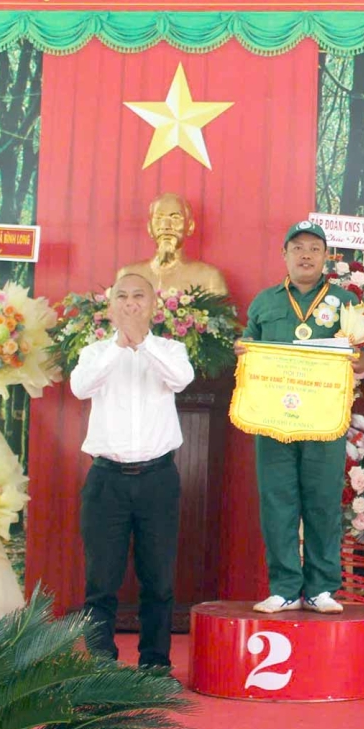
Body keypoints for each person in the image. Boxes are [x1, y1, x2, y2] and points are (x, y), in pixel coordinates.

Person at [240, 220, 364, 613]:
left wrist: (355, 358)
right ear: (285, 255)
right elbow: (247, 348)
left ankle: (320, 589)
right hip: (273, 419)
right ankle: (283, 587)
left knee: (323, 501)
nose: (306, 255)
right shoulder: (264, 302)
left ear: (326, 256)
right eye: (298, 248)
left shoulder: (346, 301)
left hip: (324, 419)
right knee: (276, 501)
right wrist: (243, 351)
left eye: (314, 248)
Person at [70, 273, 194, 669]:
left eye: (138, 296)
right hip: (106, 481)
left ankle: (155, 664)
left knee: (158, 581)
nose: (130, 303)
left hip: (158, 480)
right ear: (110, 307)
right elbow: (80, 387)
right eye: (121, 296)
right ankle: (101, 667)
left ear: (153, 305)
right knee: (100, 582)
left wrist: (142, 343)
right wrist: (120, 346)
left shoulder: (171, 349)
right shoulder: (95, 353)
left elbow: (181, 380)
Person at [116, 192, 229, 295]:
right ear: (150, 228)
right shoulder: (128, 275)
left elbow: (219, 311)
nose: (166, 226)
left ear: (190, 226)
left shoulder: (209, 278)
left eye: (175, 218)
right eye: (159, 218)